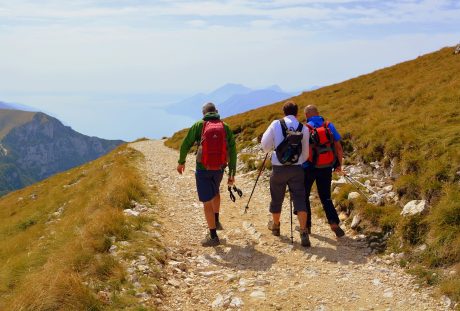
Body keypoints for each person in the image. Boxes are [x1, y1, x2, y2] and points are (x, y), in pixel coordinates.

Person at [177, 102, 237, 247]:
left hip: (203, 168)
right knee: (215, 191)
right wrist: (232, 173)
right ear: (216, 111)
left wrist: (181, 161)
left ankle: (213, 236)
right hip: (220, 168)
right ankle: (216, 220)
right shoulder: (225, 126)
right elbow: (233, 150)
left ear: (203, 113)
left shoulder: (199, 125)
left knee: (206, 201)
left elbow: (186, 143)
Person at [261, 101, 311, 247]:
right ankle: (303, 231)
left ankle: (276, 226)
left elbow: (265, 146)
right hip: (297, 168)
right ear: (297, 113)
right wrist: (299, 160)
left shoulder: (276, 124)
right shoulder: (303, 128)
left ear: (284, 112)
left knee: (277, 197)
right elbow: (306, 153)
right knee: (300, 199)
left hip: (278, 168)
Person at [303, 104, 345, 237]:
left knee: (304, 196)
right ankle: (334, 223)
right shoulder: (328, 125)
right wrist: (338, 164)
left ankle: (306, 226)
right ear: (318, 113)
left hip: (308, 167)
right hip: (326, 166)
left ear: (306, 116)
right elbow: (338, 147)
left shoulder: (305, 128)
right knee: (326, 197)